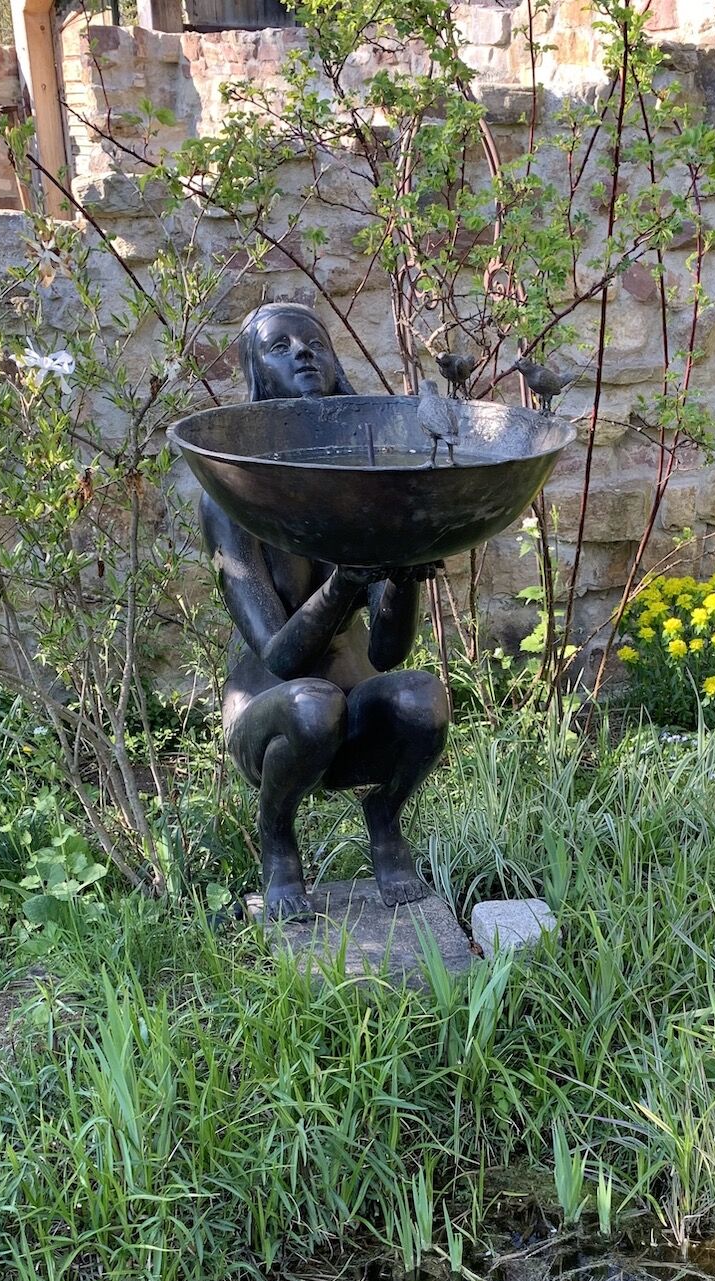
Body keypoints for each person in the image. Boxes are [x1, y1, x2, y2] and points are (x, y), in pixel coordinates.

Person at [199, 303, 450, 920]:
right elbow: (279, 656)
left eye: (315, 343)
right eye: (279, 348)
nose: (304, 353)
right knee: (314, 703)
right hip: (276, 713)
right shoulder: (233, 495)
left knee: (424, 699)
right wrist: (344, 584)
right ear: (256, 375)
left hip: (352, 706)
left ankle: (384, 819)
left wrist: (403, 575)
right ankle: (279, 844)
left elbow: (390, 654)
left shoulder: (362, 483)